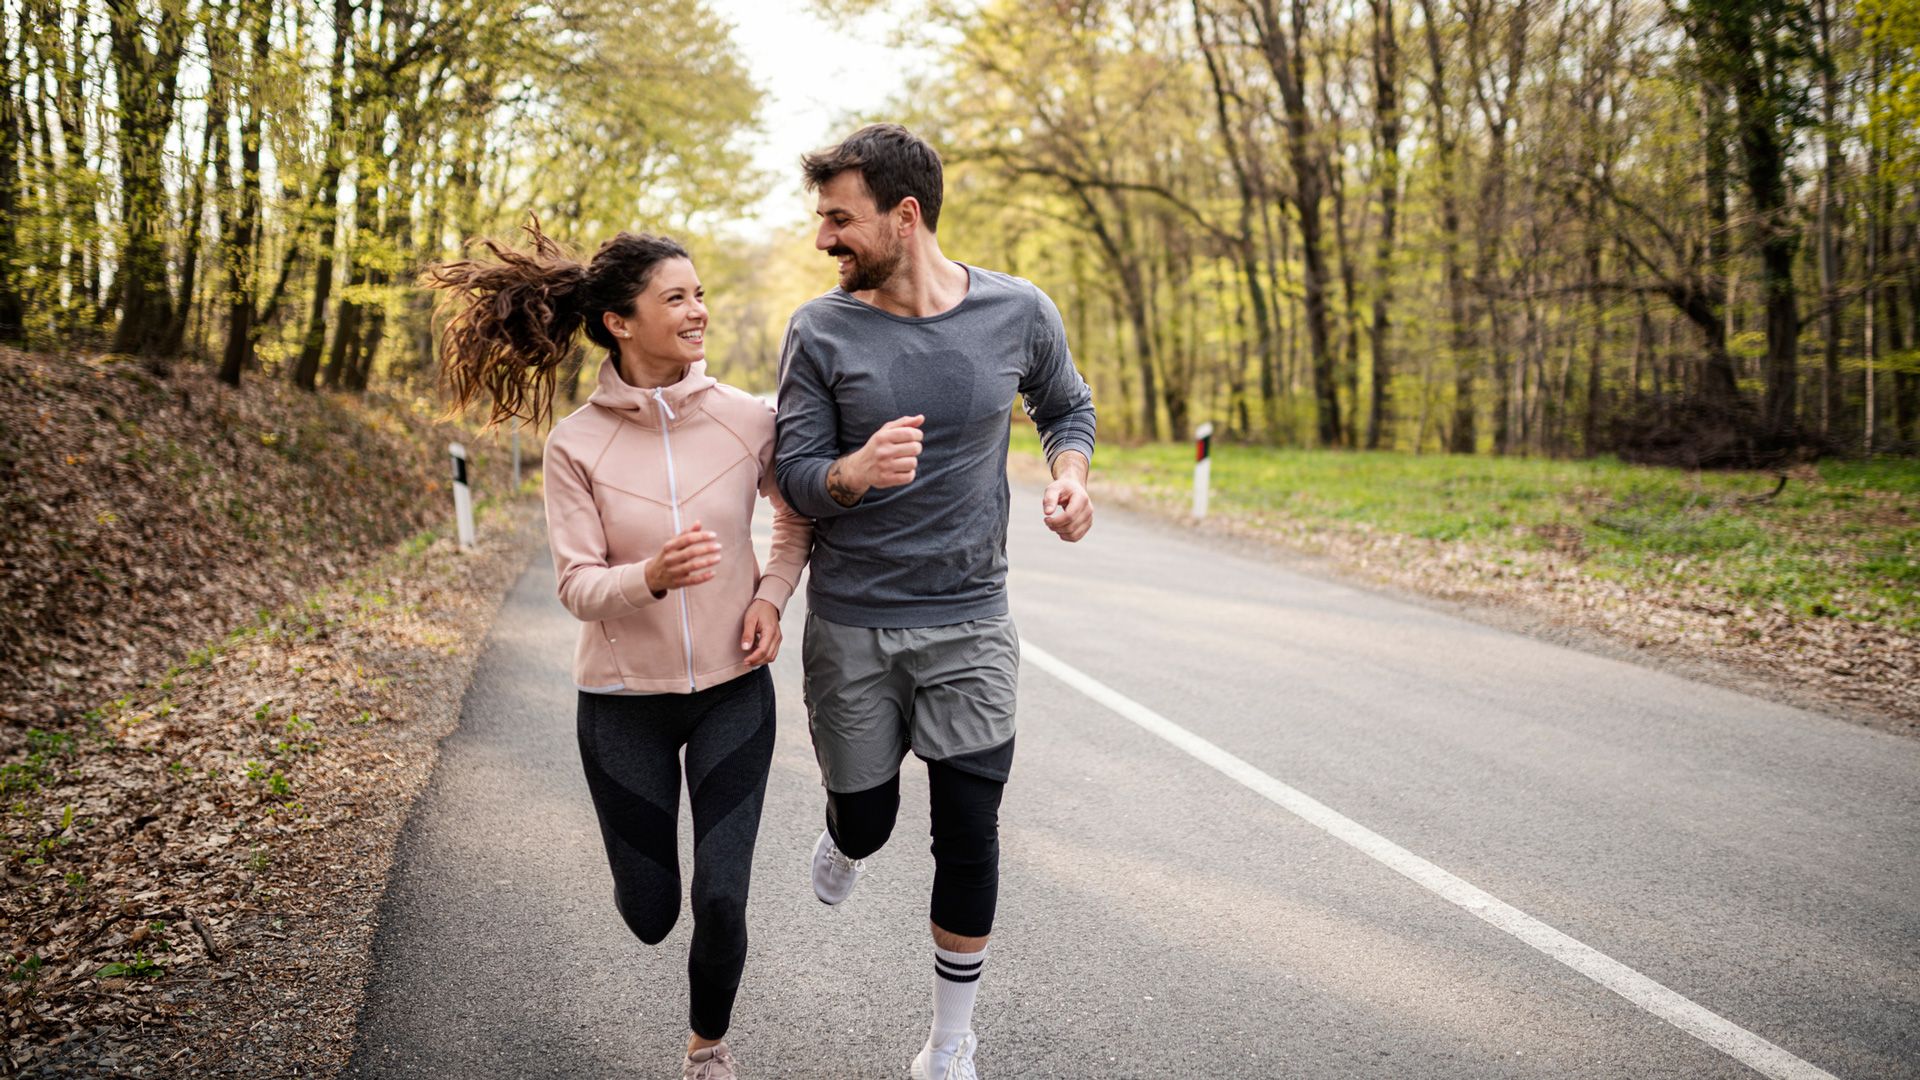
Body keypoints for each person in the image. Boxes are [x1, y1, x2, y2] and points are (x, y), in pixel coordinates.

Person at [423, 220, 810, 1080]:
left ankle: (707, 1048)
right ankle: (646, 892)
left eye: (700, 294)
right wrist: (652, 577)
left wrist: (771, 596)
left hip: (733, 692)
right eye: (677, 298)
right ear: (619, 322)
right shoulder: (576, 444)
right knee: (650, 913)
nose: (698, 310)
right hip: (622, 704)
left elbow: (794, 519)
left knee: (721, 896)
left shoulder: (749, 419)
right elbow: (577, 587)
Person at [773, 124, 1096, 1080]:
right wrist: (854, 473)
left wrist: (1069, 477)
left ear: (904, 216)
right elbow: (793, 475)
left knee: (968, 832)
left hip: (971, 616)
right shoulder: (819, 330)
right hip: (854, 622)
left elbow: (1065, 406)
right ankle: (846, 838)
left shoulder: (1017, 310)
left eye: (841, 219)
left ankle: (950, 1041)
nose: (824, 238)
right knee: (869, 819)